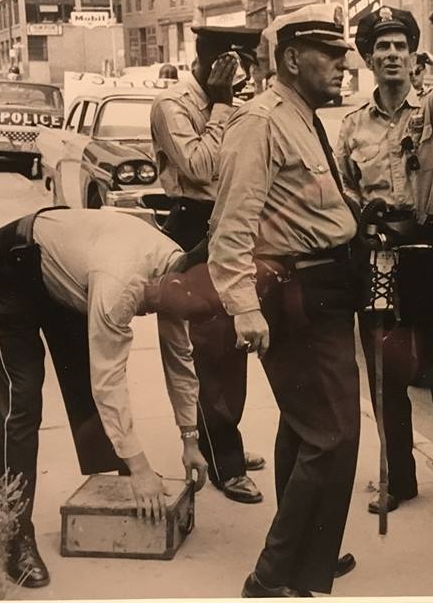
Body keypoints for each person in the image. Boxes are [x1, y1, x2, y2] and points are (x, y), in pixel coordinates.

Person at [0, 208, 209, 588]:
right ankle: (11, 532)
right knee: (21, 404)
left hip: (69, 269)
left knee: (83, 385)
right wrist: (143, 467)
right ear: (174, 283)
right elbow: (109, 379)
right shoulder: (121, 282)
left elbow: (179, 358)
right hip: (13, 263)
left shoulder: (180, 269)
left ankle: (114, 492)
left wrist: (190, 438)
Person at [208, 3, 359, 597]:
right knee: (334, 436)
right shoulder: (261, 122)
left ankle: (309, 557)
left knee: (306, 432)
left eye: (344, 55)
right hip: (293, 294)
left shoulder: (302, 116)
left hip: (322, 289)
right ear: (293, 60)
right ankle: (272, 578)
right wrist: (243, 306)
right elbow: (230, 228)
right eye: (331, 54)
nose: (344, 65)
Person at [336, 0, 433, 514]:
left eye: (400, 46)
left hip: (431, 253)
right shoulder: (352, 127)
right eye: (382, 47)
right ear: (368, 59)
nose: (392, 55)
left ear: (413, 55)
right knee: (386, 374)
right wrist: (362, 209)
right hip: (379, 256)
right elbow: (342, 189)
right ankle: (400, 479)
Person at [150, 25, 266, 505]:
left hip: (231, 225)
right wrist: (220, 106)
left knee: (231, 344)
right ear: (208, 61)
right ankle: (226, 463)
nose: (238, 75)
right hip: (193, 228)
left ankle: (225, 442)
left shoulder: (235, 101)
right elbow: (200, 166)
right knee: (207, 349)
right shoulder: (173, 106)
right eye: (230, 65)